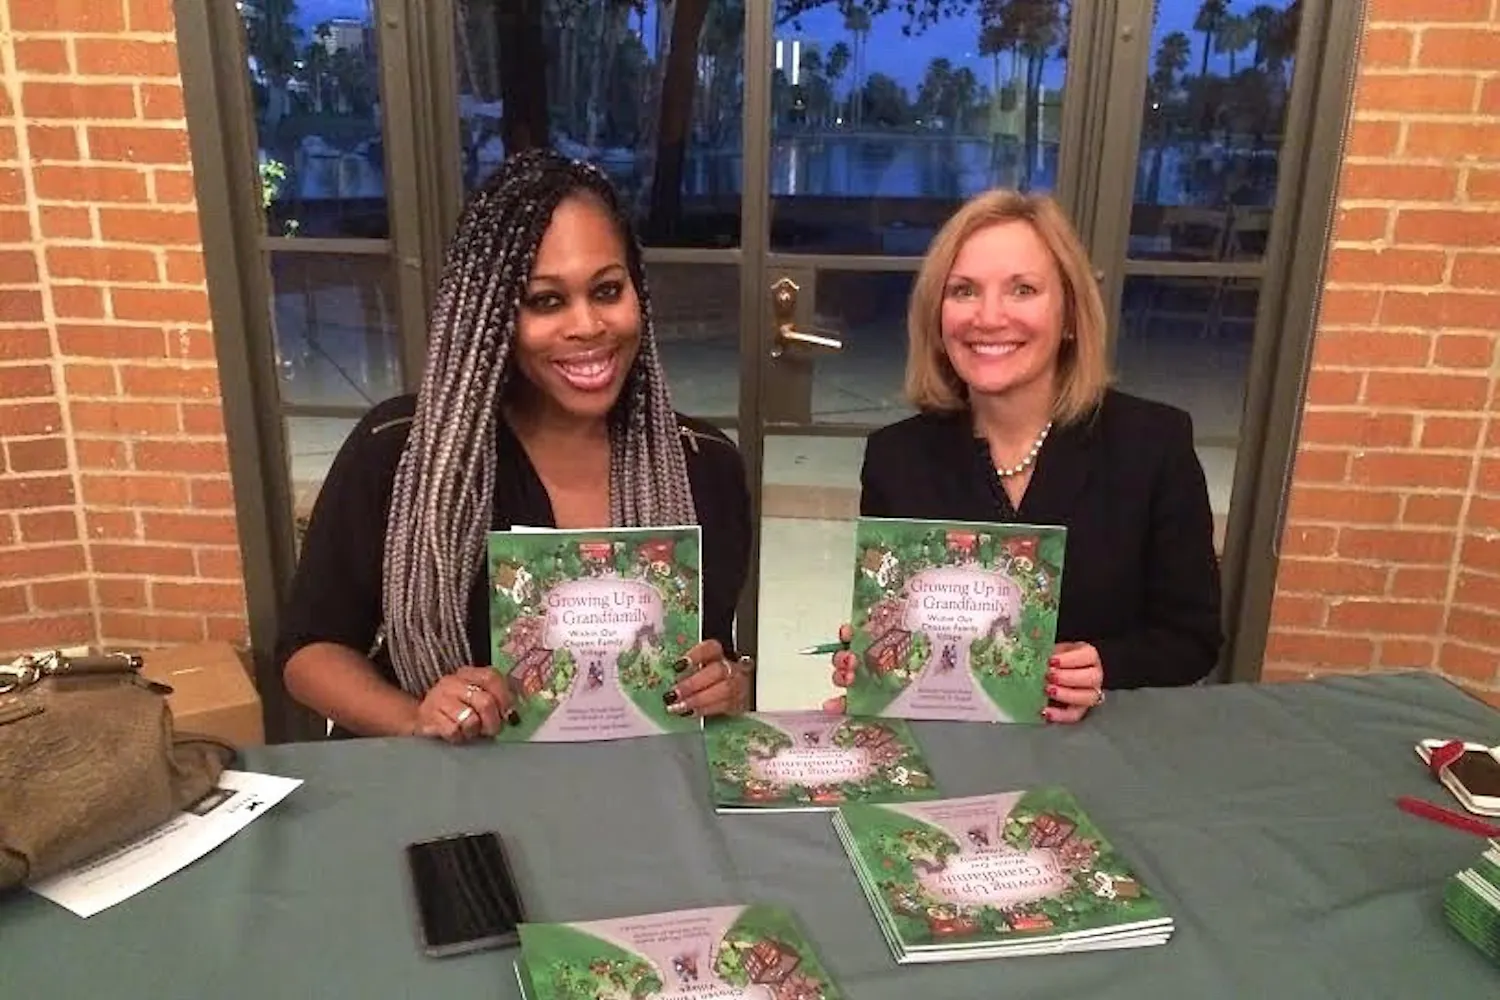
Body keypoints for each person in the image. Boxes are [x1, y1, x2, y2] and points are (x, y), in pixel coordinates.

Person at [277, 149, 754, 742]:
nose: (586, 325)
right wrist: (415, 715)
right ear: (492, 315)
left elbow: (716, 657)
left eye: (607, 290)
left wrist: (727, 685)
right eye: (545, 301)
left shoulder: (705, 466)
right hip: (447, 802)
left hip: (635, 797)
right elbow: (309, 653)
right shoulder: (403, 454)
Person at [826, 189, 1223, 723]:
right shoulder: (895, 457)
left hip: (1099, 754)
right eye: (963, 290)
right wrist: (876, 660)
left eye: (1023, 289)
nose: (989, 317)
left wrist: (1105, 668)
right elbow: (902, 632)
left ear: (1069, 316)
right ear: (938, 318)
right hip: (954, 756)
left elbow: (1193, 639)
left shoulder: (1153, 444)